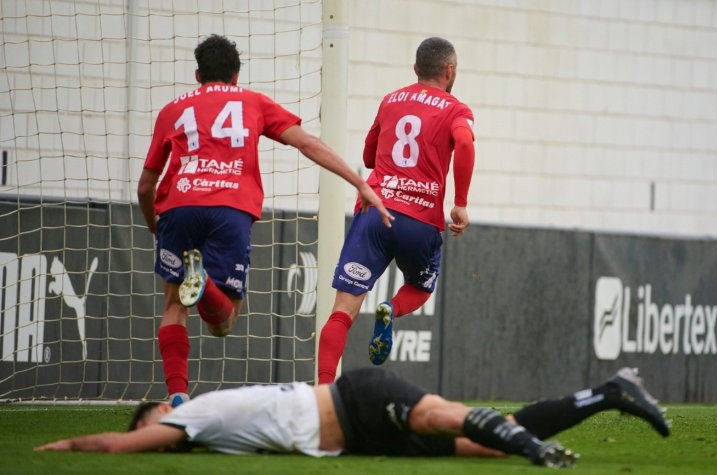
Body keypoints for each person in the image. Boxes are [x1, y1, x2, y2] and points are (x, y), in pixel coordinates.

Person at [137, 34, 393, 406]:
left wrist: (153, 223)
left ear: (197, 74)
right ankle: (205, 282)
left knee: (174, 305)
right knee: (222, 323)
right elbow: (308, 144)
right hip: (230, 207)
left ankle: (177, 394)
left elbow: (146, 185)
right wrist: (360, 183)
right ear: (237, 75)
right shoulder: (253, 102)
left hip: (179, 206)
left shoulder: (171, 111)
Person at [35, 367, 670, 469]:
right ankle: (609, 394)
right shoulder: (200, 432)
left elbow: (122, 447)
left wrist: (65, 445)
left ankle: (537, 449)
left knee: (442, 416)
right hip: (362, 437)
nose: (155, 430)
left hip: (353, 398)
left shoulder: (190, 413)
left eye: (153, 420)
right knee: (485, 439)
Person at [317, 36, 475, 383]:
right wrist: (460, 203)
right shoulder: (456, 109)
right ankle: (391, 307)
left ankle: (323, 393)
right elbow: (464, 142)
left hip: (377, 211)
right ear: (449, 71)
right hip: (420, 221)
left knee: (342, 312)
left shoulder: (391, 101)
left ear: (416, 69)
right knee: (420, 288)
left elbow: (369, 158)